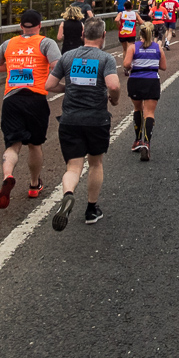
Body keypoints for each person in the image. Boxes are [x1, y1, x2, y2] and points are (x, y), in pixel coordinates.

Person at [46, 17, 120, 230]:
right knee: (95, 163)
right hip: (96, 119)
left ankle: (68, 194)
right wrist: (114, 99)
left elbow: (49, 85)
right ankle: (91, 209)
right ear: (103, 36)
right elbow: (113, 86)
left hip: (70, 119)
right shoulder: (105, 59)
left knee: (73, 166)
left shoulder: (68, 56)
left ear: (82, 35)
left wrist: (67, 88)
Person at [0, 10, 61, 208]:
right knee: (35, 144)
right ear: (40, 25)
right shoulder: (46, 43)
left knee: (13, 144)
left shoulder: (8, 44)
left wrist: (12, 67)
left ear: (21, 26)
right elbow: (57, 66)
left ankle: (8, 175)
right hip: (36, 98)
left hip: (11, 99)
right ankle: (34, 185)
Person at [123, 22, 167, 161]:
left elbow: (126, 65)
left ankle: (137, 140)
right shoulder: (158, 48)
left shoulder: (133, 47)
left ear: (140, 34)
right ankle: (146, 143)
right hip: (152, 81)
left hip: (136, 81)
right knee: (149, 113)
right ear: (152, 33)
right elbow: (164, 67)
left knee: (137, 109)